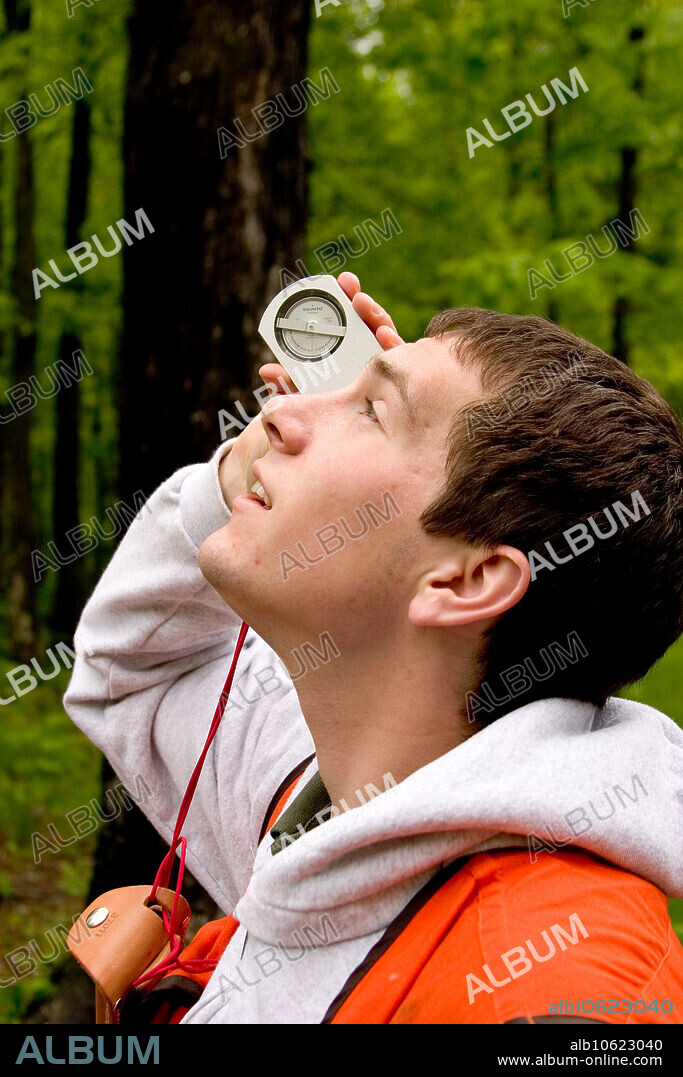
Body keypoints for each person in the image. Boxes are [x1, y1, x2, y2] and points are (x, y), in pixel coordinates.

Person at [64, 271, 683, 1024]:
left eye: (369, 409)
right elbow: (139, 666)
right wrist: (252, 469)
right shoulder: (319, 794)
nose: (278, 411)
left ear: (468, 579)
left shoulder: (558, 976)